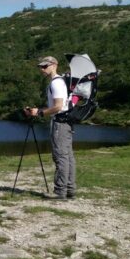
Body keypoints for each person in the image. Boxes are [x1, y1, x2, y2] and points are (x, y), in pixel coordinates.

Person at [25, 56, 75, 200]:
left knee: (61, 157)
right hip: (67, 122)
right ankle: (70, 190)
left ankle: (60, 192)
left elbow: (58, 106)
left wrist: (39, 112)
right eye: (40, 67)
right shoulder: (61, 82)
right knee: (68, 157)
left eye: (45, 66)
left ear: (54, 65)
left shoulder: (56, 83)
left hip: (60, 123)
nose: (42, 69)